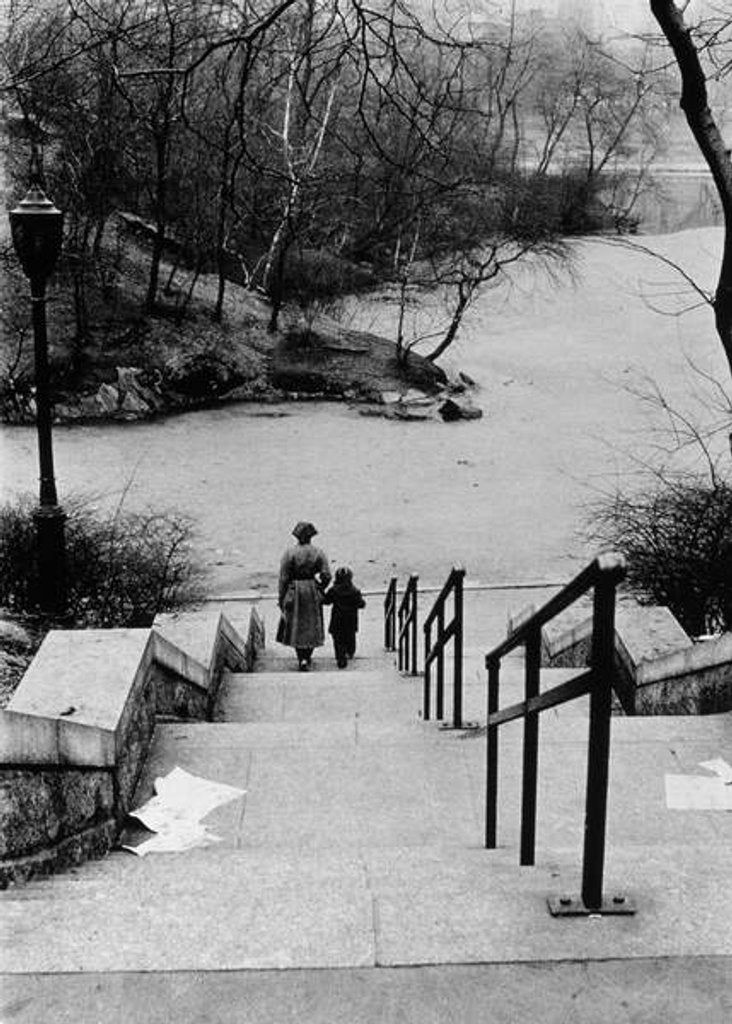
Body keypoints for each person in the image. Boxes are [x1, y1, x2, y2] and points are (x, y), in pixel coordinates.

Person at [276, 521, 331, 671]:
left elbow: (283, 578)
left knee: (296, 625)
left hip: (295, 590)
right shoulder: (318, 552)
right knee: (311, 625)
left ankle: (301, 658)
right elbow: (327, 575)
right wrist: (320, 587)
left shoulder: (289, 553)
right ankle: (307, 656)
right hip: (312, 590)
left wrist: (281, 598)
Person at [322, 566, 366, 669]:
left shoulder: (334, 590)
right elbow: (361, 604)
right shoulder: (355, 591)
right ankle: (350, 652)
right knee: (350, 637)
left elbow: (326, 601)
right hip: (351, 620)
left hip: (337, 619)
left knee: (338, 640)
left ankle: (340, 657)